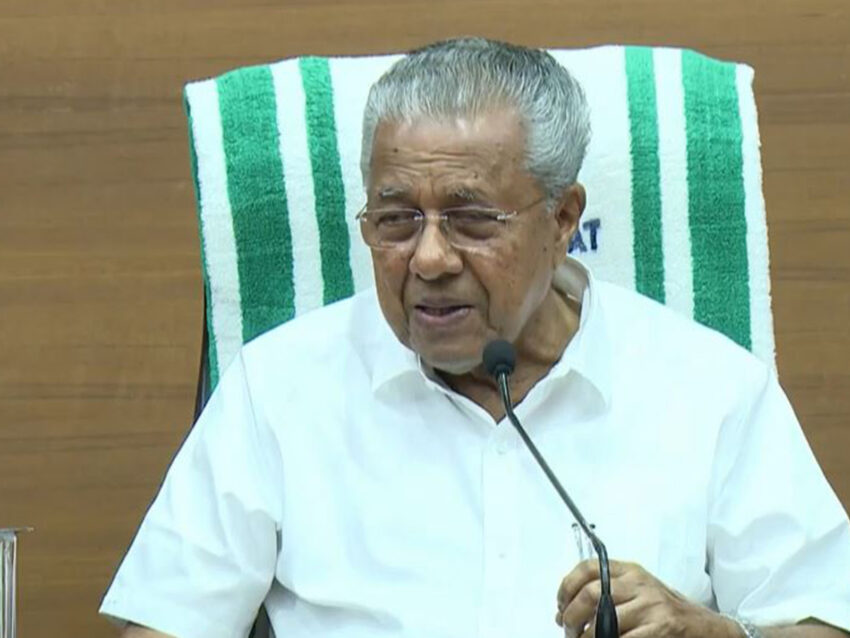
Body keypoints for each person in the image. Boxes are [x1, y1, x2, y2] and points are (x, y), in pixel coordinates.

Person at [101, 38, 850, 638]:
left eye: (471, 220)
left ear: (563, 219)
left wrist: (716, 634)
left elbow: (821, 618)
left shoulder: (709, 386)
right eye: (396, 220)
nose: (428, 259)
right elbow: (166, 622)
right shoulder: (277, 388)